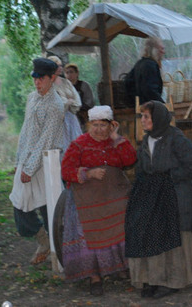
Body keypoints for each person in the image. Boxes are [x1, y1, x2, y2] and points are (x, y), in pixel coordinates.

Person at [124, 100, 192, 299]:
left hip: (176, 193)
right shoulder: (146, 141)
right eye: (142, 116)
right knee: (140, 224)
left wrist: (168, 177)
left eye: (146, 117)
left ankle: (172, 280)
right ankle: (152, 278)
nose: (142, 120)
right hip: (154, 194)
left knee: (167, 228)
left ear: (157, 118)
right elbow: (141, 169)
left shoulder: (176, 139)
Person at [60, 105, 137, 296]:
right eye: (95, 125)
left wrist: (116, 137)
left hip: (114, 195)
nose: (99, 129)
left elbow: (130, 160)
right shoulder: (78, 145)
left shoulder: (116, 142)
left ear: (111, 125)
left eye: (103, 125)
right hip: (87, 200)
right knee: (90, 233)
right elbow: (66, 171)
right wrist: (88, 173)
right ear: (88, 125)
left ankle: (121, 267)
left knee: (125, 220)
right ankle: (94, 277)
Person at [9, 57, 65, 265]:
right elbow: (26, 131)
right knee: (19, 203)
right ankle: (43, 239)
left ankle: (60, 253)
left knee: (49, 207)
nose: (37, 82)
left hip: (46, 163)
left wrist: (31, 168)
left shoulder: (56, 105)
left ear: (52, 78)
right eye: (35, 78)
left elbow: (46, 140)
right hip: (27, 159)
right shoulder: (32, 98)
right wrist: (20, 160)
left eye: (41, 78)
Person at [48, 55, 83, 149]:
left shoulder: (66, 82)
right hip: (57, 120)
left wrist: (69, 102)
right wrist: (67, 102)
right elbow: (55, 102)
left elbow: (77, 100)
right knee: (61, 147)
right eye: (58, 66)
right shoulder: (48, 83)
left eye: (61, 65)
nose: (61, 68)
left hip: (70, 117)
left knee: (75, 144)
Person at [125, 37, 165, 103]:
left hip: (141, 104)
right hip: (149, 106)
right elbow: (150, 90)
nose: (163, 52)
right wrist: (162, 105)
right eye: (161, 48)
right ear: (154, 50)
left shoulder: (140, 63)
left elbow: (128, 82)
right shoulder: (150, 65)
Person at [64, 63, 95, 127]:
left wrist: (78, 108)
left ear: (77, 73)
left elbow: (89, 102)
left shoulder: (84, 85)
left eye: (71, 72)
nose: (69, 75)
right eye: (67, 72)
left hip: (82, 115)